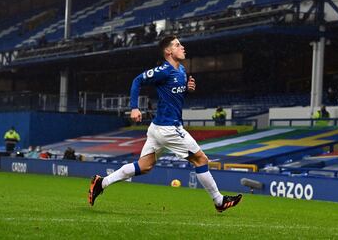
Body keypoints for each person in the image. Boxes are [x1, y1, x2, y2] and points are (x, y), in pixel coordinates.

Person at [88, 35, 242, 212]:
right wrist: (134, 107)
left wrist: (187, 89)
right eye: (177, 45)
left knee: (144, 166)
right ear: (169, 51)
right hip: (168, 128)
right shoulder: (164, 70)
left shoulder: (182, 71)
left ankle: (101, 182)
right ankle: (219, 201)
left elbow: (175, 92)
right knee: (201, 160)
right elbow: (137, 80)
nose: (182, 47)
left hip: (158, 128)